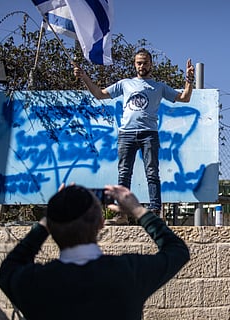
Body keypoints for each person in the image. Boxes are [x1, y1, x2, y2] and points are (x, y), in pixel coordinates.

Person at [0, 184, 190, 320]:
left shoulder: (34, 283)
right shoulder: (128, 272)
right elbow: (177, 251)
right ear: (101, 223)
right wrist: (138, 210)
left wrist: (50, 219)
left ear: (52, 226)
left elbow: (8, 268)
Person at [73, 48, 195, 224]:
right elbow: (100, 94)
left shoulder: (158, 87)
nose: (142, 65)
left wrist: (189, 79)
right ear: (134, 64)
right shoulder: (125, 84)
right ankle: (122, 214)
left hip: (149, 134)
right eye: (139, 62)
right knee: (124, 174)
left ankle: (154, 211)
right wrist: (84, 77)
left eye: (145, 62)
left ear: (151, 64)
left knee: (152, 173)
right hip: (126, 134)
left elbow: (184, 98)